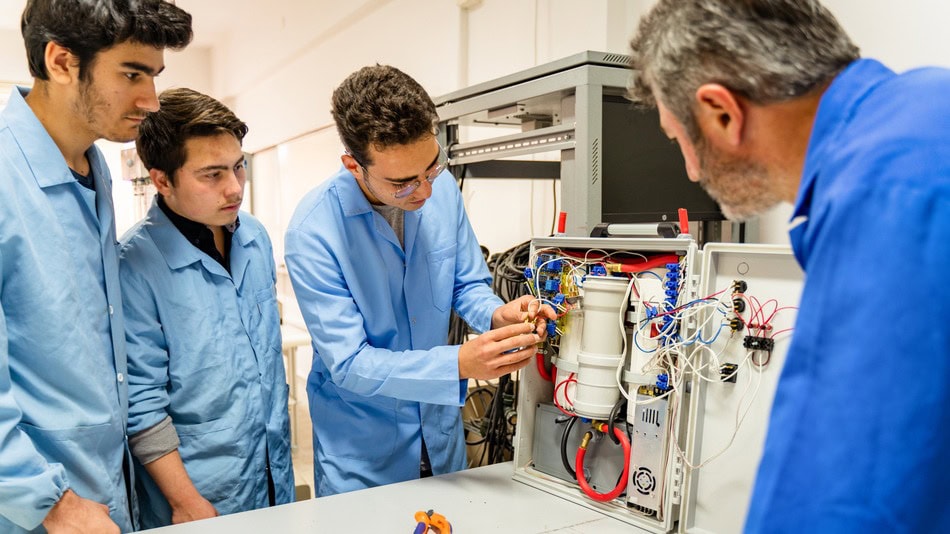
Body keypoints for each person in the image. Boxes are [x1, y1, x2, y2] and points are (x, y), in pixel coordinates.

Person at [627, 1, 950, 532]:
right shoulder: (923, 112)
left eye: (678, 140)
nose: (688, 169)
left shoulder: (882, 192)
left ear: (722, 113)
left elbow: (843, 498)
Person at [285, 65, 555, 497]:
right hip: (365, 450)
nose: (424, 191)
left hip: (441, 434)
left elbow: (466, 284)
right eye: (402, 182)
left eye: (431, 168)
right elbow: (349, 363)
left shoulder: (442, 189)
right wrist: (458, 364)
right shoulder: (314, 232)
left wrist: (497, 314)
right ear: (354, 165)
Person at [0, 1, 191, 532]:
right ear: (61, 62)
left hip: (102, 487)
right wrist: (52, 503)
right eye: (132, 73)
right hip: (37, 507)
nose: (151, 101)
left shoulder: (93, 165)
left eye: (153, 76)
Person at [118, 88, 294, 528]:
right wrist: (184, 501)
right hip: (200, 492)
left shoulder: (253, 237)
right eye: (212, 174)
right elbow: (141, 403)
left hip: (272, 471)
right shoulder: (134, 266)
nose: (234, 187)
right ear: (162, 180)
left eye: (238, 167)